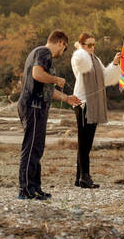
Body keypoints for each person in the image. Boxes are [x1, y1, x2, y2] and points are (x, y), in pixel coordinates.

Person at [17, 30, 80, 200]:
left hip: (37, 106)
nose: (63, 52)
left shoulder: (39, 54)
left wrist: (67, 98)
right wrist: (55, 79)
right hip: (33, 106)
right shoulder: (44, 52)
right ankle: (26, 190)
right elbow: (37, 75)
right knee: (31, 147)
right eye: (65, 48)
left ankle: (35, 188)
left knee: (37, 148)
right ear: (60, 42)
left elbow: (47, 90)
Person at [71, 32, 121, 188]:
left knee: (86, 142)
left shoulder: (96, 59)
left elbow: (106, 78)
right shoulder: (78, 58)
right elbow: (83, 64)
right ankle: (84, 177)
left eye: (94, 44)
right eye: (89, 44)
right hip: (83, 103)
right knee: (84, 142)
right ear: (82, 45)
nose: (92, 47)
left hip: (93, 103)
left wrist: (114, 63)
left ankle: (80, 177)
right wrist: (80, 49)